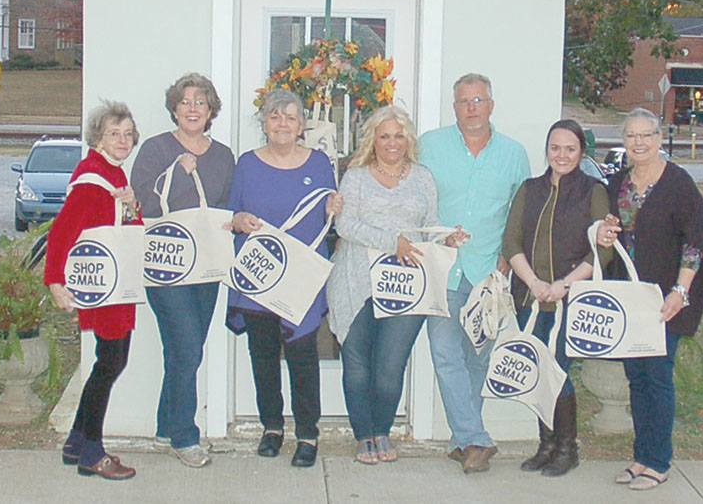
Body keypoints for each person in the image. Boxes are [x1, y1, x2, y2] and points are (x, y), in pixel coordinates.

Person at [328, 105, 468, 465]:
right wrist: (393, 242)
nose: (392, 143)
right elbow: (345, 225)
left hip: (406, 287)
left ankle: (382, 430)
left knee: (391, 365)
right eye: (385, 136)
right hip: (355, 281)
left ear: (408, 140)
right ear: (373, 140)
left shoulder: (422, 177)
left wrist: (445, 239)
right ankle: (363, 435)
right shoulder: (356, 177)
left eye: (399, 135)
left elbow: (429, 223)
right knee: (357, 363)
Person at [419, 73, 530, 474]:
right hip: (442, 271)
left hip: (488, 275)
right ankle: (475, 438)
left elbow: (522, 212)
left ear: (491, 105)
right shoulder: (429, 146)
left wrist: (508, 255)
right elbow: (414, 197)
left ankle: (462, 442)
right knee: (445, 355)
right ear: (454, 107)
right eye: (464, 101)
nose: (471, 108)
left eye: (478, 100)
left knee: (477, 360)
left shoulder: (514, 154)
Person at [227, 88, 344, 468]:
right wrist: (239, 220)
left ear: (301, 126)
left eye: (290, 117)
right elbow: (232, 215)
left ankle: (308, 434)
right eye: (275, 116)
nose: (282, 123)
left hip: (300, 279)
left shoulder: (319, 163)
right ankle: (272, 428)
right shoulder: (247, 164)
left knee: (303, 356)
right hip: (259, 275)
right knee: (262, 356)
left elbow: (330, 218)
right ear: (264, 122)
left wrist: (334, 207)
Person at [596, 107, 703, 491]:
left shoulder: (679, 184)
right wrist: (604, 230)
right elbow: (607, 229)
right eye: (632, 135)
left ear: (659, 139)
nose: (639, 142)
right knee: (637, 378)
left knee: (658, 376)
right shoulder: (617, 184)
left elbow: (695, 243)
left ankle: (659, 461)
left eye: (647, 135)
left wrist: (681, 292)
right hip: (629, 298)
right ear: (623, 141)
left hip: (664, 299)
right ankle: (641, 456)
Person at [130, 73, 234, 469]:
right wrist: (177, 171)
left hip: (206, 265)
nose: (192, 108)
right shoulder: (157, 149)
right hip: (166, 265)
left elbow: (226, 206)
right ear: (174, 109)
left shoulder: (223, 156)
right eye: (185, 102)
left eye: (200, 102)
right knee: (188, 347)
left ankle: (165, 426)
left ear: (210, 110)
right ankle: (185, 436)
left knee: (182, 350)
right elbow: (143, 201)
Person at [502, 119, 610, 477]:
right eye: (555, 148)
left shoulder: (593, 191)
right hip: (531, 299)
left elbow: (602, 250)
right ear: (547, 150)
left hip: (570, 299)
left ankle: (567, 448)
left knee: (557, 372)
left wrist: (564, 283)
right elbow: (511, 241)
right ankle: (546, 445)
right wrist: (533, 282)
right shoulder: (530, 189)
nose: (561, 155)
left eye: (570, 149)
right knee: (537, 370)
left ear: (581, 152)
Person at [44, 100, 141, 481]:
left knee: (109, 362)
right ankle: (92, 452)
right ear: (98, 138)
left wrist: (132, 205)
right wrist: (55, 281)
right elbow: (61, 233)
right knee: (110, 364)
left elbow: (128, 229)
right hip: (103, 288)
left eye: (128, 134)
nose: (123, 140)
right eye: (114, 133)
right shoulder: (92, 179)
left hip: (115, 284)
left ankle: (76, 442)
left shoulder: (113, 174)